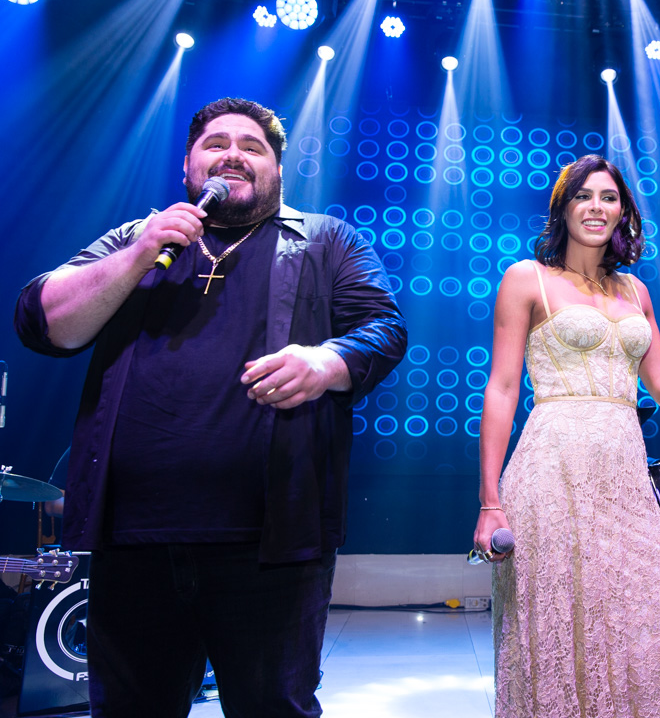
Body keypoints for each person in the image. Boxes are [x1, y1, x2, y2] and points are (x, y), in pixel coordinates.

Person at [14, 97, 408, 718]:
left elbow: (383, 328)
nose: (233, 155)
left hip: (272, 541)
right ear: (188, 167)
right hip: (133, 537)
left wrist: (325, 362)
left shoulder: (325, 240)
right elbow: (45, 323)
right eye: (216, 144)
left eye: (252, 147)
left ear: (277, 168)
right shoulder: (138, 239)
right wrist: (137, 254)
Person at [473, 155, 660, 717]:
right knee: (564, 633)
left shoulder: (635, 291)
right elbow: (502, 389)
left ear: (623, 213)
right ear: (563, 209)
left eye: (608, 197)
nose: (596, 206)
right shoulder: (527, 278)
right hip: (551, 472)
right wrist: (490, 502)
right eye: (583, 195)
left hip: (624, 483)